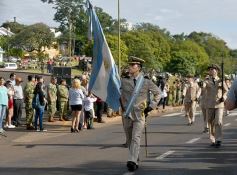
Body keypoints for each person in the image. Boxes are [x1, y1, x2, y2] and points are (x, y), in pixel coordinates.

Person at [120, 56, 161, 172]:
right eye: (130, 65)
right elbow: (118, 92)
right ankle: (135, 158)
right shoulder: (124, 80)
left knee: (135, 137)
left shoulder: (146, 81)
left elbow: (159, 93)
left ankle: (132, 160)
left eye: (133, 65)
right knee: (129, 139)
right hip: (127, 114)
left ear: (139, 68)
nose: (130, 67)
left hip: (140, 114)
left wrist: (151, 106)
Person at [204, 64, 228, 148]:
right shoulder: (207, 80)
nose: (212, 71)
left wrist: (223, 97)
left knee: (218, 121)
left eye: (213, 69)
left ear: (217, 71)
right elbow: (203, 88)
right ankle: (212, 139)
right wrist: (202, 83)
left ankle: (218, 139)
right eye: (210, 69)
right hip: (209, 104)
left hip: (219, 104)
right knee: (210, 122)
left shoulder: (221, 80)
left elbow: (226, 91)